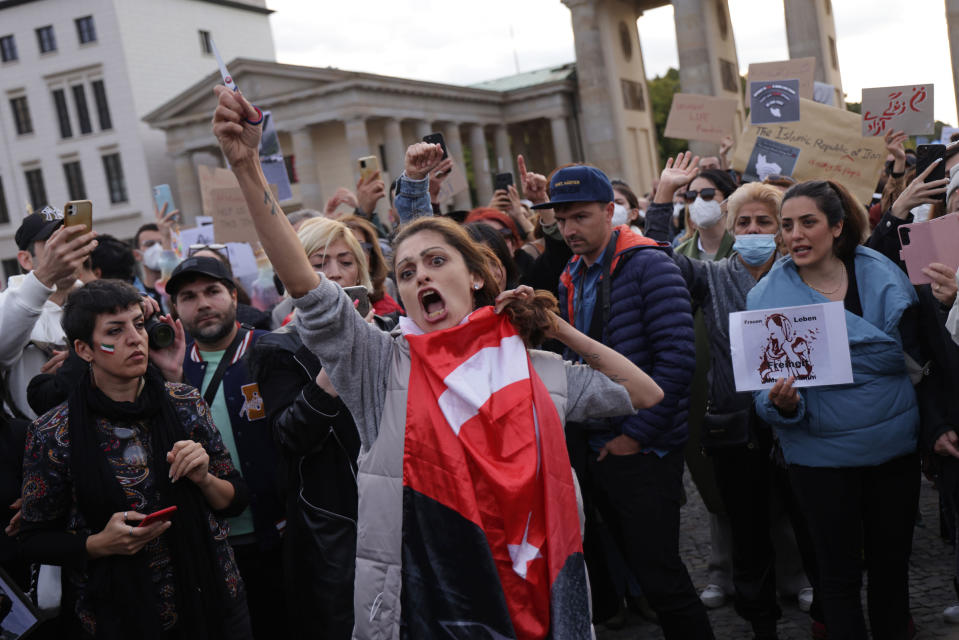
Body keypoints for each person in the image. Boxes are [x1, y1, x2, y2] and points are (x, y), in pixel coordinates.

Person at [212, 83, 664, 638]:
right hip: (430, 611)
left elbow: (644, 394)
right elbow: (306, 283)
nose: (420, 275)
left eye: (435, 260)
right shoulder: (378, 365)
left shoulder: (537, 369)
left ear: (474, 276)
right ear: (399, 295)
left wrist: (558, 329)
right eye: (405, 272)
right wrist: (246, 166)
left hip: (537, 600)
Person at [647, 154, 822, 639]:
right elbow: (657, 257)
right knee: (748, 533)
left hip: (804, 422)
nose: (752, 229)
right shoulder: (715, 275)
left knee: (809, 522)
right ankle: (760, 619)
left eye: (764, 221)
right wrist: (663, 199)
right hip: (736, 428)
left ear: (783, 229)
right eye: (742, 221)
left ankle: (825, 605)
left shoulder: (806, 274)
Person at [18, 279, 252, 639]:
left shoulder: (184, 402)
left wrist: (205, 477)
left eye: (138, 324)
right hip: (117, 616)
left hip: (214, 602)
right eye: (115, 330)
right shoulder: (53, 432)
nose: (134, 337)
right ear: (84, 349)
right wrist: (97, 544)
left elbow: (234, 500)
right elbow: (34, 538)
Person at [540, 163, 711, 639]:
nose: (569, 228)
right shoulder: (572, 271)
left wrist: (633, 439)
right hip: (598, 446)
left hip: (644, 448)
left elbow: (677, 361)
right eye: (562, 218)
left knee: (663, 578)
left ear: (610, 212)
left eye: (581, 217)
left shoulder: (649, 263)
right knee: (638, 569)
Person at [748, 179, 920, 640]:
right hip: (819, 460)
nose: (795, 235)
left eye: (808, 222)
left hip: (892, 451)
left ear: (837, 227)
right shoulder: (765, 298)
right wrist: (779, 403)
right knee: (837, 578)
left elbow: (918, 359)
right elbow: (761, 389)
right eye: (787, 226)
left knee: (891, 570)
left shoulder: (884, 276)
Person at [249, 216, 372, 639]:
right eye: (318, 262)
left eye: (345, 261)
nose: (334, 274)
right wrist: (332, 366)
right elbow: (290, 436)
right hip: (332, 525)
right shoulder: (277, 347)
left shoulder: (388, 334)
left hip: (397, 508)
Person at [163, 256, 287, 639]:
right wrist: (171, 379)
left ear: (233, 295)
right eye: (188, 296)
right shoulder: (163, 370)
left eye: (212, 291)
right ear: (176, 310)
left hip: (282, 536)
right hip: (212, 547)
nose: (202, 303)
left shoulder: (273, 350)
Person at [0, 209, 97, 419]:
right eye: (54, 242)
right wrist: (45, 276)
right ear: (26, 260)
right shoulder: (7, 305)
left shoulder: (97, 302)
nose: (66, 250)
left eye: (71, 239)